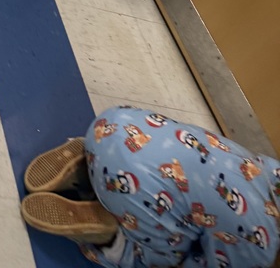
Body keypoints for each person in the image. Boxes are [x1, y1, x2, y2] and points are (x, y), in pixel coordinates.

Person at [20, 106, 280, 268]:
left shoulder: (269, 170)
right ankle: (112, 237)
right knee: (166, 258)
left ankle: (86, 164)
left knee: (188, 187)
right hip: (138, 192)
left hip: (113, 125)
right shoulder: (261, 244)